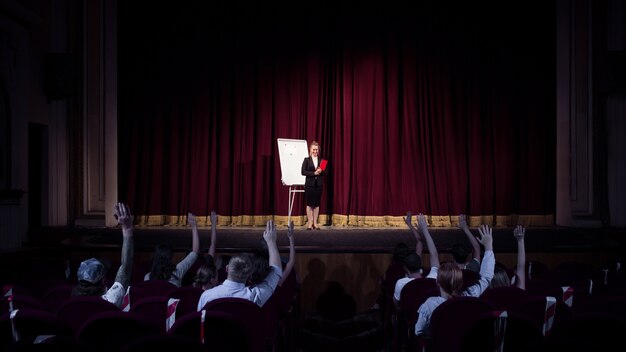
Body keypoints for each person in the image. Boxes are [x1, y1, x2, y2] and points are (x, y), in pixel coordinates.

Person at [414, 224, 495, 338]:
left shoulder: (430, 304)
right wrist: (488, 246)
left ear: (437, 282)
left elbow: (419, 331)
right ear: (460, 282)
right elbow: (486, 278)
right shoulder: (471, 297)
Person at [196, 220, 282, 309]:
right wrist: (271, 242)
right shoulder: (254, 297)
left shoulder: (207, 296)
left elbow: (200, 320)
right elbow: (276, 271)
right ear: (250, 276)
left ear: (227, 269)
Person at [71, 202, 134, 308]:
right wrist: (127, 228)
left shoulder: (72, 304)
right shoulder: (110, 300)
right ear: (104, 281)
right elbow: (126, 268)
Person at [393, 212, 439, 306]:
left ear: (405, 268)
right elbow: (434, 254)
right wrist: (425, 229)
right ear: (420, 265)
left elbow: (396, 304)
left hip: (410, 318)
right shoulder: (433, 278)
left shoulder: (401, 283)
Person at [144, 212, 201, 287]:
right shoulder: (177, 272)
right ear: (170, 257)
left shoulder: (147, 278)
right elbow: (195, 252)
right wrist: (194, 226)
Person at [301, 141, 328, 230]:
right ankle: (309, 223)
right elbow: (303, 172)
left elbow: (326, 173)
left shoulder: (322, 161)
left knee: (316, 205)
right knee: (309, 204)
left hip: (319, 185)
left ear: (318, 151)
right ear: (310, 150)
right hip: (309, 185)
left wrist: (321, 171)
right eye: (313, 149)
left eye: (316, 150)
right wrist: (314, 173)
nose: (315, 151)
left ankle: (315, 223)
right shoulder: (306, 160)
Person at [489, 225, 526, 290]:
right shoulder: (518, 293)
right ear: (507, 280)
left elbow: (521, 267)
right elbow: (521, 267)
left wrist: (488, 244)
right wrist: (520, 241)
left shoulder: (485, 297)